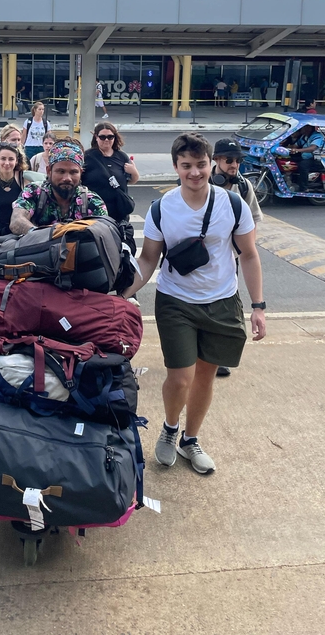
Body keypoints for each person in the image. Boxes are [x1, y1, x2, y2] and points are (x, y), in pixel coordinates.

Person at [124, 133, 266, 476]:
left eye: (201, 164)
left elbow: (248, 255)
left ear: (211, 163)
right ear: (176, 167)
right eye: (186, 166)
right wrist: (121, 294)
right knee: (180, 376)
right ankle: (170, 427)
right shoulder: (162, 208)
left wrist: (258, 306)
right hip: (176, 301)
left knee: (206, 375)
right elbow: (147, 261)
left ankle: (191, 439)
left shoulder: (233, 205)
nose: (195, 173)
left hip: (222, 300)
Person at [211, 137, 263, 378]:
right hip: (201, 256)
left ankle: (219, 358)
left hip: (230, 257)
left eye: (238, 161)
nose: (234, 165)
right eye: (229, 160)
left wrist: (244, 249)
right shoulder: (201, 179)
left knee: (225, 307)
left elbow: (253, 220)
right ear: (217, 160)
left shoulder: (243, 187)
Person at [10, 138, 107, 234]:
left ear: (81, 173)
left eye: (73, 172)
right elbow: (17, 221)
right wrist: (45, 236)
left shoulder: (93, 201)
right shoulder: (33, 192)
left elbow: (104, 231)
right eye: (61, 171)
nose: (67, 178)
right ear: (49, 171)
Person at [82, 121, 140, 222]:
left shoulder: (121, 156)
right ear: (96, 137)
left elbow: (131, 180)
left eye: (110, 137)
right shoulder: (88, 156)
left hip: (119, 212)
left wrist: (134, 172)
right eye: (102, 137)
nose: (106, 140)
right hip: (96, 212)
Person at [288, 123, 325, 190]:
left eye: (303, 127)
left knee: (303, 165)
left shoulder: (317, 136)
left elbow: (312, 148)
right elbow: (295, 145)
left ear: (309, 128)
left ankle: (304, 188)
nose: (301, 129)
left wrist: (297, 150)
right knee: (290, 161)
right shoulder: (305, 136)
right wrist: (284, 148)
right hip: (308, 158)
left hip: (319, 160)